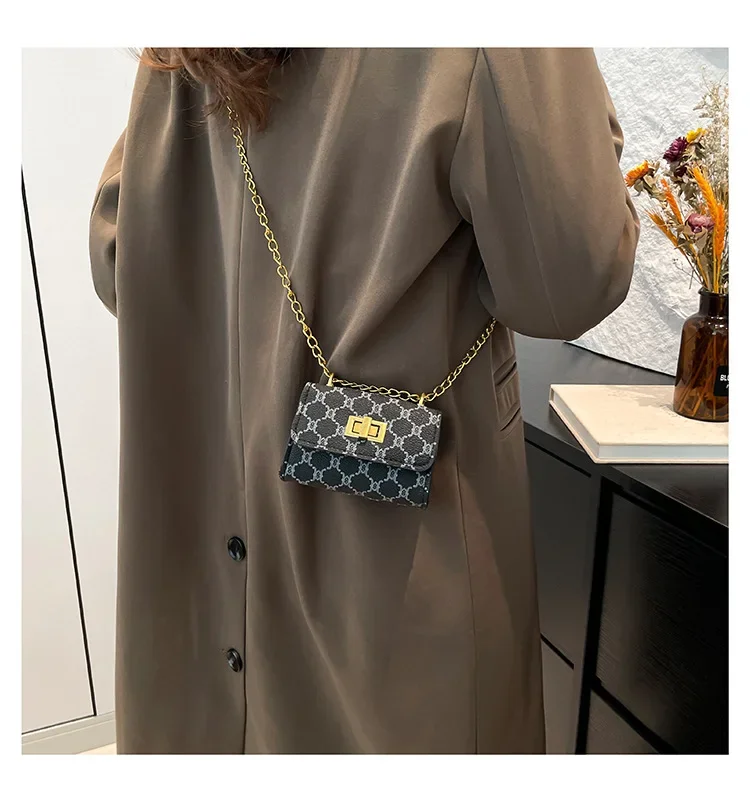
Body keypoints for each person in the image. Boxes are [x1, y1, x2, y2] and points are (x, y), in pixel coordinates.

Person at [90, 47, 638, 754]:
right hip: (396, 584)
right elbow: (569, 281)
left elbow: (116, 259)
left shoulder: (178, 53)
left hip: (201, 542)